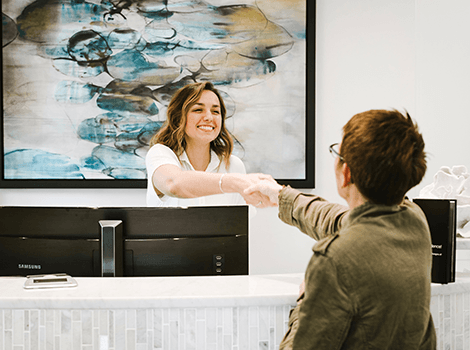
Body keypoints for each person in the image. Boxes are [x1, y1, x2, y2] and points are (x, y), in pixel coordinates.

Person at [244, 109, 436, 349]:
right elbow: (340, 219)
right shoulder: (414, 220)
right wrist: (282, 195)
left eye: (338, 153)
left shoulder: (334, 259)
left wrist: (307, 295)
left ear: (346, 173)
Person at [146, 81, 274, 208]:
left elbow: (241, 223)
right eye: (198, 109)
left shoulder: (234, 165)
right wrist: (235, 182)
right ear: (178, 118)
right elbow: (173, 184)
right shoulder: (160, 154)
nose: (208, 117)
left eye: (215, 111)